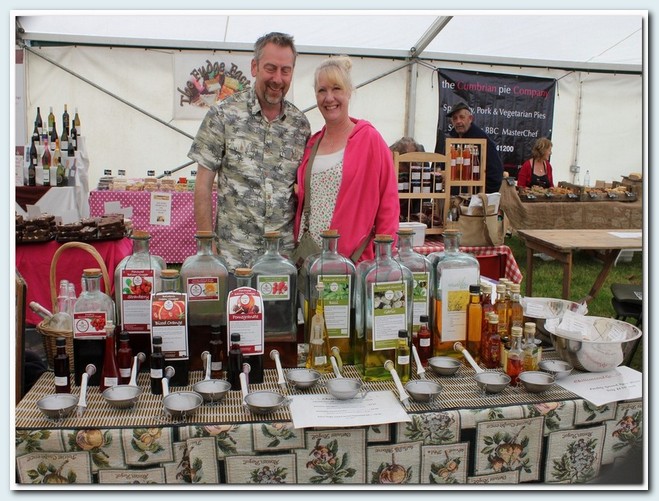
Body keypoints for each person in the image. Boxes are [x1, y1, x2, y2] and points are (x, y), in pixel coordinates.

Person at [188, 32, 311, 270]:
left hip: (282, 261)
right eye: (270, 68)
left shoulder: (300, 125)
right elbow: (202, 184)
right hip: (234, 258)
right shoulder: (223, 115)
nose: (277, 78)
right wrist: (206, 247)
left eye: (285, 70)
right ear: (254, 67)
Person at [293, 56, 399, 263]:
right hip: (311, 262)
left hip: (355, 261)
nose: (329, 98)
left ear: (349, 92)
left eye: (336, 89)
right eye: (322, 90)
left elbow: (389, 203)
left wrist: (384, 259)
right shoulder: (311, 144)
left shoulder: (370, 139)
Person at [435, 102, 504, 193]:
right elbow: (442, 165)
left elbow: (495, 173)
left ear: (470, 119)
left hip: (474, 197)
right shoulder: (450, 138)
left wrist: (482, 196)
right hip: (452, 195)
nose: (458, 121)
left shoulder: (481, 139)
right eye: (455, 118)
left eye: (462, 117)